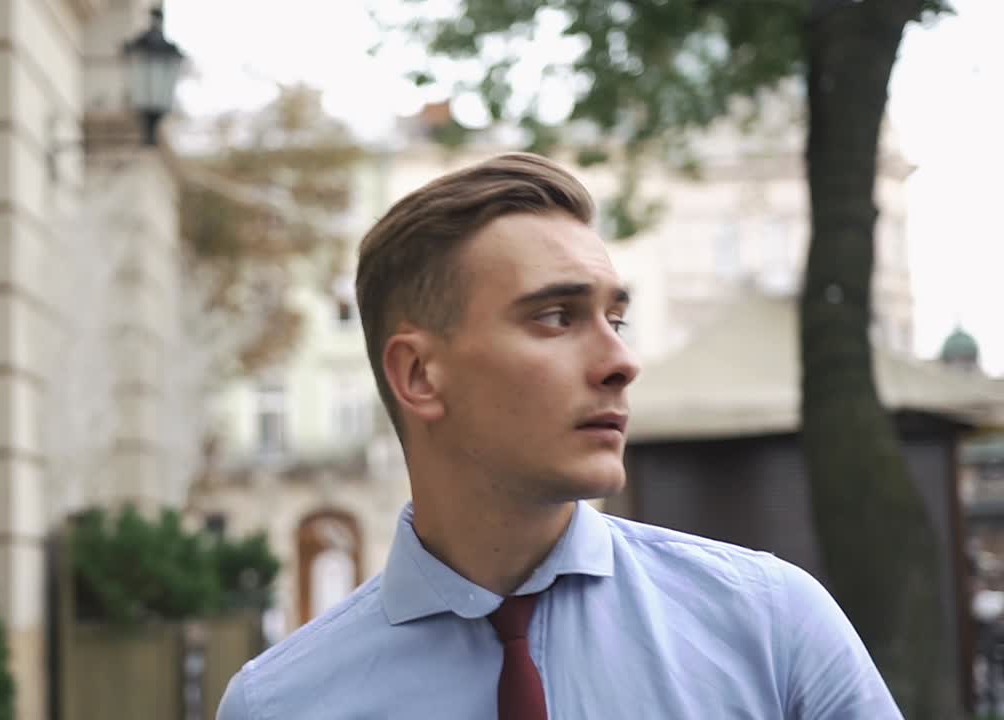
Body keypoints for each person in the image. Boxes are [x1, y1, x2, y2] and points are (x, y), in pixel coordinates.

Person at [216, 153, 899, 719]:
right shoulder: (279, 704)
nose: (622, 363)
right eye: (555, 317)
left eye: (616, 319)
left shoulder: (770, 626)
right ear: (420, 373)